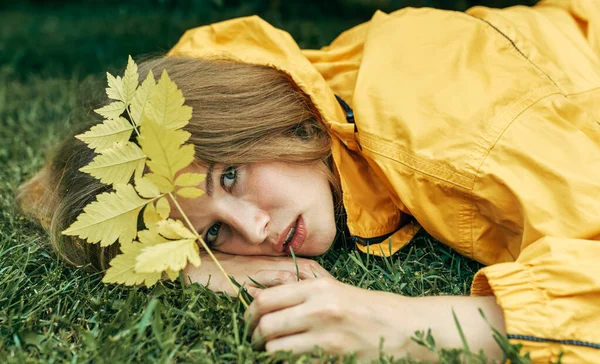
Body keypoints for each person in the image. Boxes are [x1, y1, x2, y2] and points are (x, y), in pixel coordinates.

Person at [17, 0, 600, 361]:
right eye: (215, 235)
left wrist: (404, 324)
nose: (256, 229)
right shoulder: (232, 86)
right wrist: (200, 262)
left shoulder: (448, 133)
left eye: (233, 175)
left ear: (256, 113)